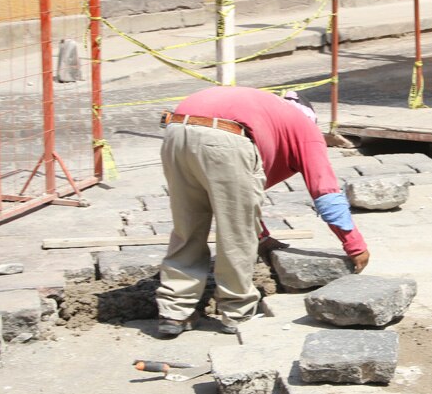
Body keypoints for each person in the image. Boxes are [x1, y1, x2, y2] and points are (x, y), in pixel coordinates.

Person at [154, 86, 370, 338]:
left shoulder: (269, 112)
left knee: (187, 227)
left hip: (176, 129)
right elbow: (326, 192)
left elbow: (242, 201)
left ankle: (174, 312)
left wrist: (264, 238)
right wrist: (354, 244)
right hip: (227, 137)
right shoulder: (305, 126)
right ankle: (237, 312)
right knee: (236, 235)